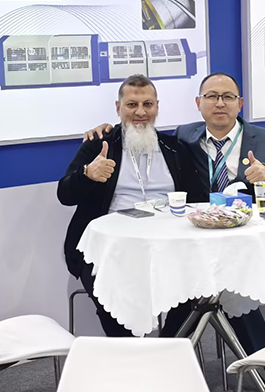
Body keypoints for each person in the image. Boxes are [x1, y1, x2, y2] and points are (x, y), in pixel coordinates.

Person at [85, 72, 265, 392]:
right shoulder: (184, 137)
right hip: (202, 242)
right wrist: (107, 129)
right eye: (211, 96)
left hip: (256, 236)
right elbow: (138, 127)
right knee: (227, 280)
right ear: (199, 103)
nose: (219, 103)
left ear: (240, 103)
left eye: (227, 97)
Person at [57, 74, 205, 338]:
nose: (140, 112)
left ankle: (168, 347)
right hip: (106, 250)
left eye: (147, 104)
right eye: (131, 105)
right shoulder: (99, 144)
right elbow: (65, 194)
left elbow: (198, 199)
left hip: (168, 246)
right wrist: (88, 174)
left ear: (157, 107)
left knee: (197, 290)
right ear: (118, 108)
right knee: (113, 301)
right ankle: (130, 352)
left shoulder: (175, 149)